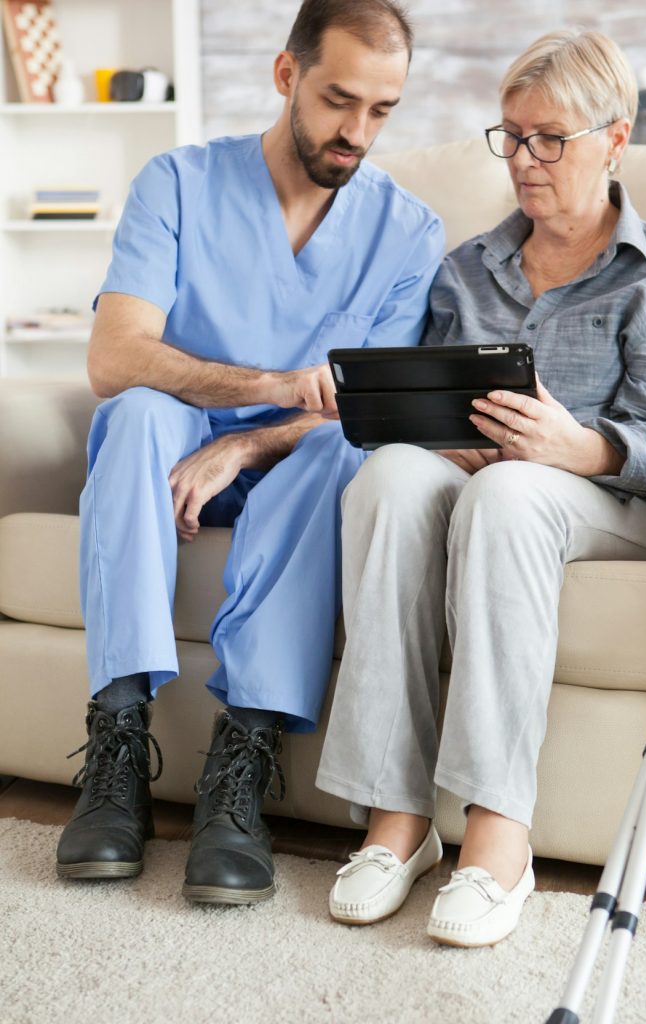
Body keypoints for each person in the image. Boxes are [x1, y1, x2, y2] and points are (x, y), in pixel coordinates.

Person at [316, 28, 646, 947]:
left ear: (614, 140)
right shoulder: (467, 269)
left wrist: (575, 446)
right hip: (492, 485)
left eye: (550, 140)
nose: (525, 161)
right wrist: (437, 441)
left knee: (511, 495)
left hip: (625, 505)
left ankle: (499, 834)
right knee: (387, 479)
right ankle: (395, 821)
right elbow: (425, 399)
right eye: (511, 136)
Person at [56, 0, 443, 905]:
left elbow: (369, 406)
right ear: (286, 76)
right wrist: (273, 385)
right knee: (140, 415)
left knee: (344, 447)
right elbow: (115, 357)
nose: (356, 132)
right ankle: (116, 750)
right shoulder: (178, 182)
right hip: (173, 446)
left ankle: (244, 761)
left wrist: (249, 447)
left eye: (381, 111)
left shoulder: (409, 233)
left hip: (291, 469)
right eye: (338, 100)